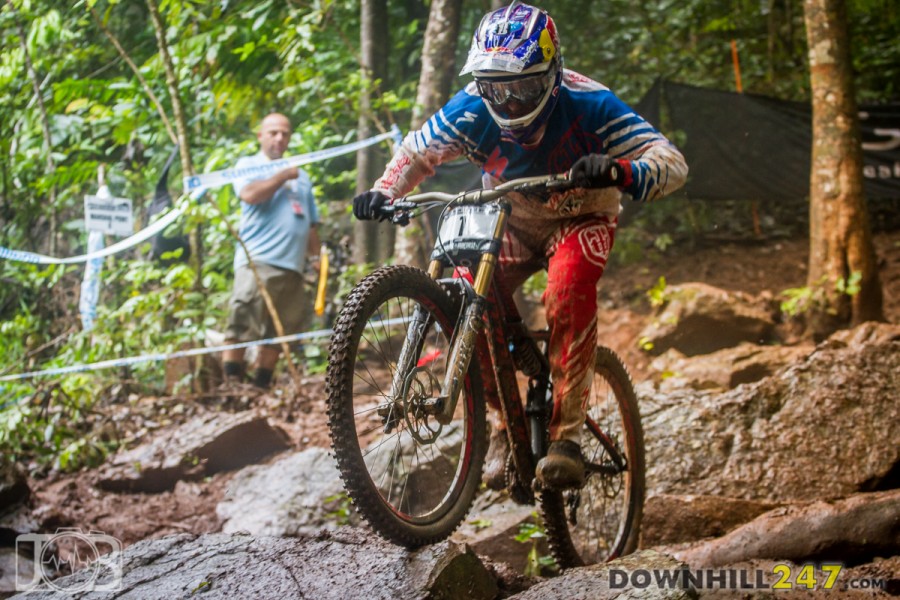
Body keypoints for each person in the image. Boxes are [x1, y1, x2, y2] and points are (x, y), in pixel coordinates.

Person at [352, 3, 688, 489]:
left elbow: (671, 161)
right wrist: (384, 192)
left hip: (581, 216)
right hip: (510, 216)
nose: (509, 104)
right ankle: (504, 423)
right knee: (467, 294)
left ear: (551, 75)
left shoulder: (590, 103)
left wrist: (621, 171)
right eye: (496, 89)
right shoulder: (468, 108)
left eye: (523, 89)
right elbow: (416, 152)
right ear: (480, 83)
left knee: (568, 289)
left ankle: (567, 438)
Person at [222, 112, 321, 391]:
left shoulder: (302, 177)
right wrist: (282, 176)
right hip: (258, 261)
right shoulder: (249, 165)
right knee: (242, 323)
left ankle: (260, 388)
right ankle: (232, 386)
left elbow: (311, 223)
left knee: (282, 331)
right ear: (261, 136)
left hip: (293, 267)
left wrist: (315, 258)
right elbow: (250, 195)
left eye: (285, 133)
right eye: (274, 132)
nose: (280, 138)